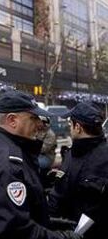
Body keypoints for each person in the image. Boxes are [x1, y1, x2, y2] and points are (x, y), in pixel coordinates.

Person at [0, 90, 82, 239]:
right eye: (33, 118)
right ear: (12, 120)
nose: (39, 124)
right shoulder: (5, 161)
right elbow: (12, 229)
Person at [48, 102, 108, 238]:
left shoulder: (75, 154)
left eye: (70, 124)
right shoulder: (72, 152)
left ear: (78, 127)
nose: (69, 127)